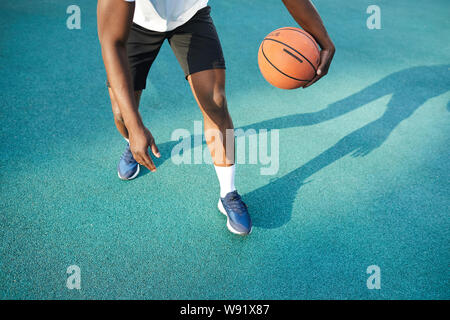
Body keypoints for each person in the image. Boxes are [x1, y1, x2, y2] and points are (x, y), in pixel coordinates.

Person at [97, 0, 335, 235]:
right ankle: (131, 142)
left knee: (216, 102)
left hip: (191, 17)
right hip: (135, 23)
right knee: (121, 112)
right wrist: (134, 123)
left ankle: (228, 193)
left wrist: (323, 40)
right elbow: (112, 41)